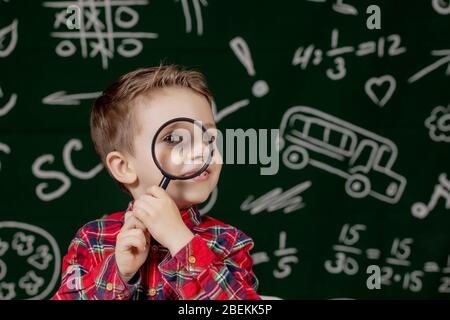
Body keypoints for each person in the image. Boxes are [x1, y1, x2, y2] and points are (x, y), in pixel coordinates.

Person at [52, 64, 260, 300]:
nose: (203, 150)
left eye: (209, 137)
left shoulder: (229, 242)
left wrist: (181, 242)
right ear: (124, 167)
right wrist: (119, 273)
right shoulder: (92, 239)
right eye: (173, 138)